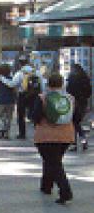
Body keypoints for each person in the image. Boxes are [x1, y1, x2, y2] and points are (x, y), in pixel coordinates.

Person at [32, 73, 75, 204]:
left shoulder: (42, 98)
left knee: (53, 163)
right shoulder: (70, 98)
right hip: (66, 136)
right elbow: (77, 116)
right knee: (52, 161)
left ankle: (65, 191)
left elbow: (35, 116)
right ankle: (46, 186)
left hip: (45, 136)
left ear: (48, 84)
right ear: (62, 84)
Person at [1, 57, 43, 139]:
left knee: (21, 115)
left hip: (23, 95)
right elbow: (42, 85)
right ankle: (38, 132)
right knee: (35, 114)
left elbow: (12, 84)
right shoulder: (37, 72)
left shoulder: (20, 73)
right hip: (35, 96)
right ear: (28, 62)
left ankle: (22, 133)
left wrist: (2, 79)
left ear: (20, 63)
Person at [66, 63, 92, 150]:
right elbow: (89, 91)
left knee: (73, 123)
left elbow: (68, 91)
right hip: (83, 103)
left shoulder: (72, 78)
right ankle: (83, 140)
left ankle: (74, 143)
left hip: (73, 102)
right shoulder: (85, 78)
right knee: (76, 122)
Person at [0, 64, 16, 139]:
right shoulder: (11, 79)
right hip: (10, 100)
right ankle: (7, 133)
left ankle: (3, 128)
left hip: (1, 100)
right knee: (9, 117)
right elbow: (14, 89)